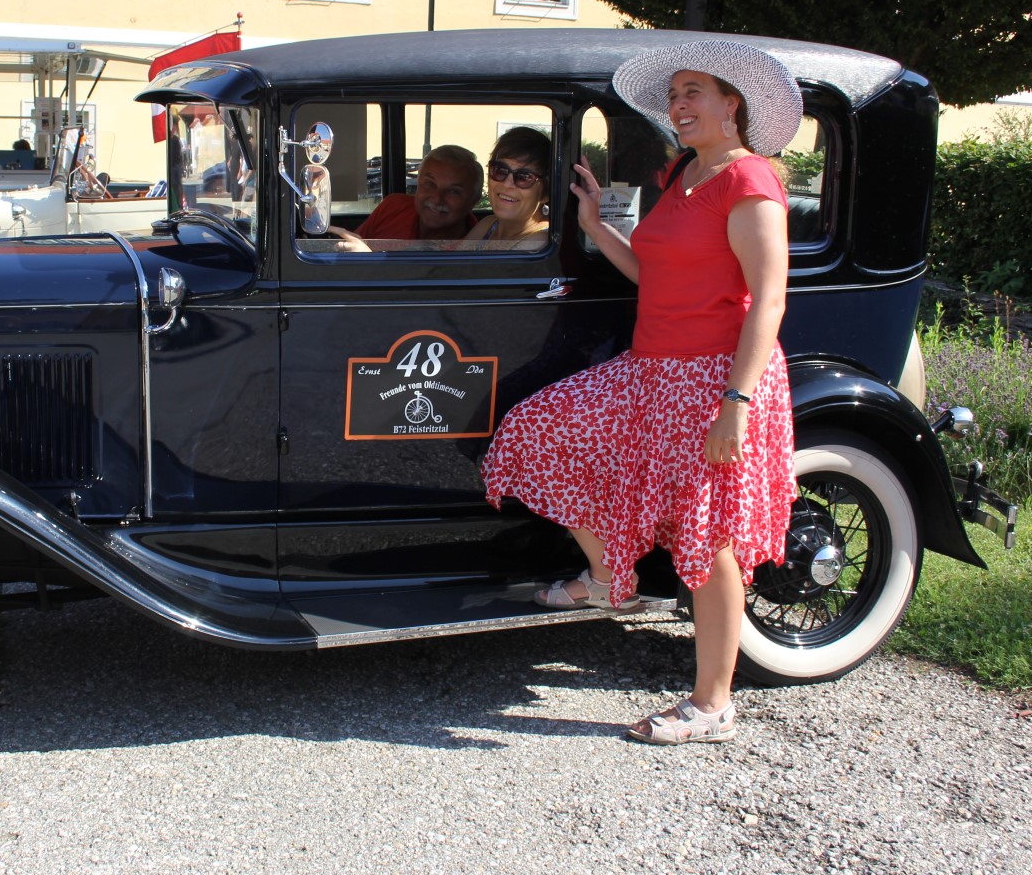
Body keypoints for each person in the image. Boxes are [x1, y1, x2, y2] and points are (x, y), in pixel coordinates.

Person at [482, 40, 803, 745]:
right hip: (652, 369)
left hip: (715, 376)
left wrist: (737, 403)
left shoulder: (749, 180)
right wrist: (597, 225)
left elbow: (769, 301)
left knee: (707, 535)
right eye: (676, 95)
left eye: (695, 93)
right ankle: (608, 578)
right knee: (536, 434)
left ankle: (713, 702)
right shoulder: (684, 174)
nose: (679, 106)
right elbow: (655, 277)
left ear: (732, 105)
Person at [328, 144, 482, 251]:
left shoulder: (480, 246)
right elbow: (354, 245)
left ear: (473, 200)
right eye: (429, 184)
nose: (437, 198)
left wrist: (370, 262)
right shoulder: (394, 206)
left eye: (454, 191)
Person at [462, 126, 553, 249]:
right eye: (500, 170)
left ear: (546, 193)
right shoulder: (488, 225)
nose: (507, 184)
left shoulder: (539, 241)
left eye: (524, 176)